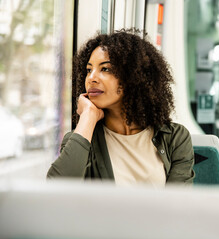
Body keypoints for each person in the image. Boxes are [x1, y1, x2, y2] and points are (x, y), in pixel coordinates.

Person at [47, 28, 195, 186]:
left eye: (105, 69)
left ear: (133, 76)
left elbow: (177, 205)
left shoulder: (174, 138)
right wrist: (88, 116)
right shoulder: (81, 138)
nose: (91, 78)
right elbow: (56, 190)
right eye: (89, 70)